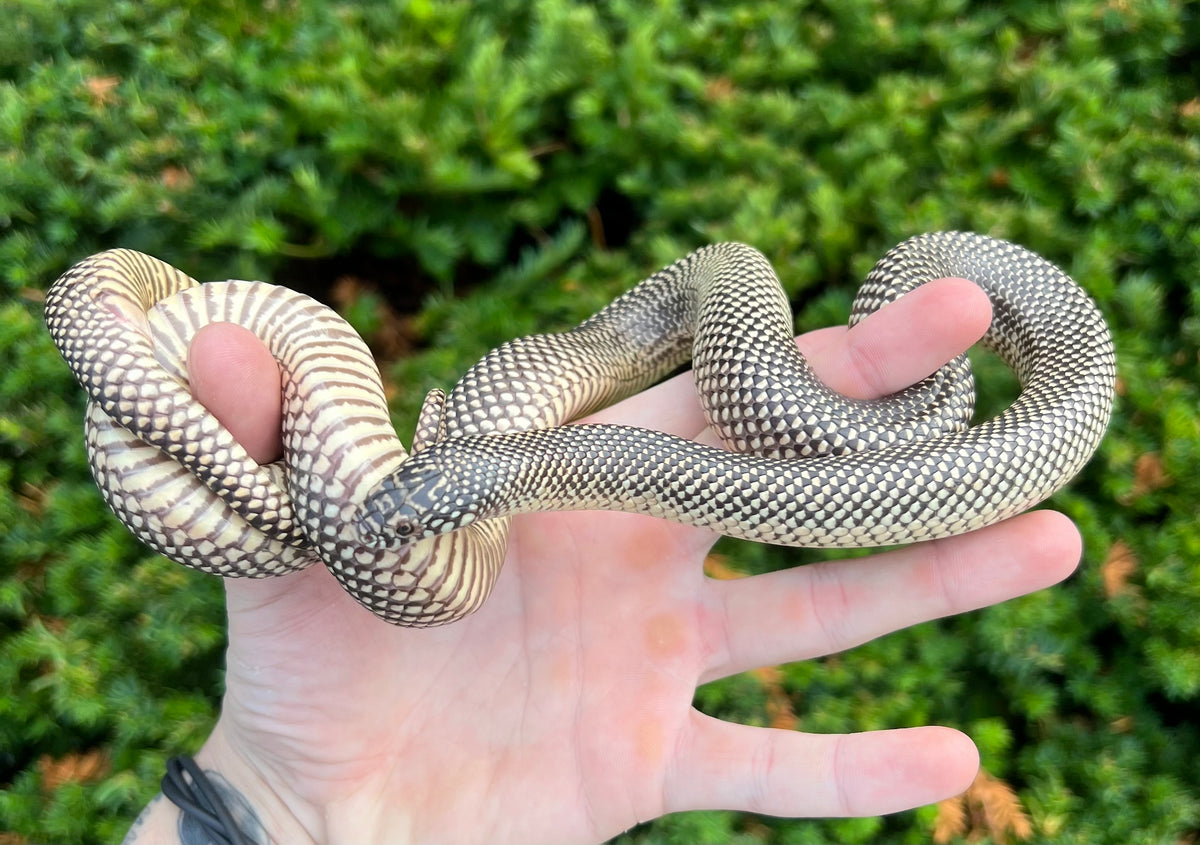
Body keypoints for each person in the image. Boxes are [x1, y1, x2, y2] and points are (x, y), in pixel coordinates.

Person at [123, 277, 1081, 844]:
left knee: (908, 360)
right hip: (545, 443)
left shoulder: (523, 463)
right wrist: (283, 803)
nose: (387, 528)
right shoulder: (506, 477)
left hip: (588, 417)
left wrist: (283, 812)